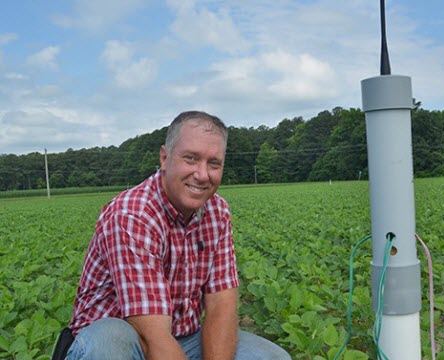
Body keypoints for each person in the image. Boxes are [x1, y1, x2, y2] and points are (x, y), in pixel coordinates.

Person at [58, 111, 290, 360]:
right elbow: (152, 337)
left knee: (271, 357)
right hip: (123, 342)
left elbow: (221, 305)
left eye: (214, 163)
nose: (202, 175)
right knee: (109, 340)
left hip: (183, 337)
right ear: (164, 158)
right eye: (191, 159)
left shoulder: (217, 211)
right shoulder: (133, 215)